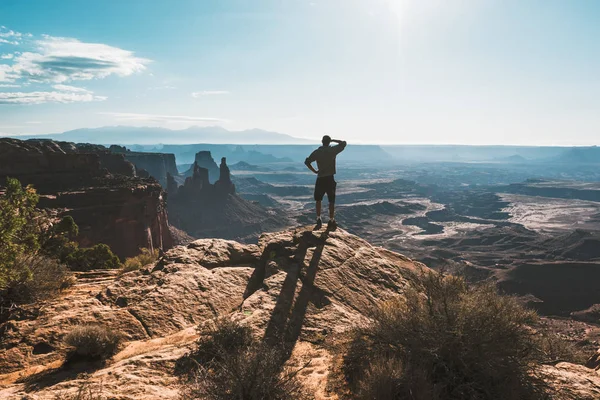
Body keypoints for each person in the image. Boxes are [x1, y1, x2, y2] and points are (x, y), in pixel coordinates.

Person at [304, 135, 347, 230]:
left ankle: (318, 218)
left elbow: (307, 162)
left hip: (320, 178)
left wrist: (315, 171)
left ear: (322, 141)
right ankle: (331, 220)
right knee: (331, 200)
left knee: (318, 199)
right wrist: (333, 140)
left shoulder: (317, 152)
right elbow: (343, 143)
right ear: (329, 142)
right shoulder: (332, 151)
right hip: (330, 179)